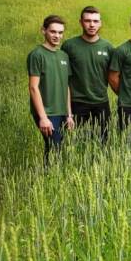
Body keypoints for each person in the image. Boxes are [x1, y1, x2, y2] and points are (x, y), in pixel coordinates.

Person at [61, 6, 113, 138]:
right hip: (77, 103)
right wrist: (68, 113)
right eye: (87, 21)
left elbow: (114, 76)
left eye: (95, 21)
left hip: (101, 103)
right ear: (81, 22)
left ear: (100, 23)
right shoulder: (69, 46)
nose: (91, 25)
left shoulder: (108, 47)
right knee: (75, 142)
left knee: (103, 143)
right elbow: (63, 79)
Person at [28, 15, 74, 163]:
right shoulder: (37, 55)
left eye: (60, 33)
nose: (57, 36)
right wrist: (43, 118)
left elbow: (66, 86)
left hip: (61, 112)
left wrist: (69, 114)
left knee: (57, 148)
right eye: (53, 31)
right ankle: (48, 178)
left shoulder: (64, 56)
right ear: (43, 31)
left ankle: (52, 179)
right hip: (47, 112)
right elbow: (33, 87)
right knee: (55, 148)